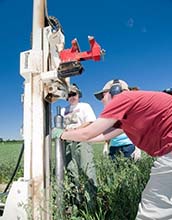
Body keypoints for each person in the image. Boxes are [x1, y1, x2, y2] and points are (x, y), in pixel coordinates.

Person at [53, 79, 172, 219]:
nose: (102, 101)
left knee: (152, 211)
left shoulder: (123, 98)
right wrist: (69, 136)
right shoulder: (126, 116)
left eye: (102, 96)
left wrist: (62, 134)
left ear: (115, 91)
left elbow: (88, 132)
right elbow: (100, 136)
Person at [59, 83, 97, 208]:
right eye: (69, 95)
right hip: (68, 142)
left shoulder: (84, 106)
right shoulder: (63, 110)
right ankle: (76, 203)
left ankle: (91, 203)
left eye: (74, 94)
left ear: (78, 94)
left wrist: (75, 131)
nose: (72, 97)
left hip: (82, 140)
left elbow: (90, 121)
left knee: (87, 170)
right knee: (71, 171)